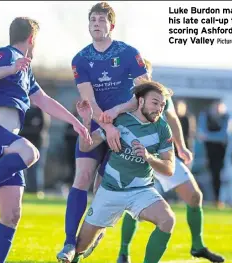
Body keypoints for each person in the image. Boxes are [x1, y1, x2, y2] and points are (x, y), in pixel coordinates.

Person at [0, 17, 91, 263]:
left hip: (6, 147)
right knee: (31, 152)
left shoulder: (25, 70)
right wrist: (10, 68)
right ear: (32, 39)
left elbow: (43, 100)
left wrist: (74, 121)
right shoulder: (9, 55)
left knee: (11, 215)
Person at [94, 59, 225, 263]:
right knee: (134, 201)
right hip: (132, 157)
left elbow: (171, 119)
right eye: (140, 72)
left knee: (194, 196)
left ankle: (197, 246)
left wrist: (180, 147)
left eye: (147, 72)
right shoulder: (123, 94)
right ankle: (123, 252)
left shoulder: (158, 95)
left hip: (159, 154)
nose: (144, 76)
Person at [57, 2, 149, 261]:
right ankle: (68, 244)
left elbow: (143, 93)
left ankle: (94, 236)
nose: (96, 23)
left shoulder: (129, 53)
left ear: (111, 24)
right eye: (92, 20)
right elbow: (88, 101)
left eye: (101, 19)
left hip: (125, 126)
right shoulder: (81, 58)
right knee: (82, 177)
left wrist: (118, 114)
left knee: (104, 191)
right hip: (97, 124)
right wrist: (106, 125)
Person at [71, 81, 176, 263]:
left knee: (168, 220)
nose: (159, 109)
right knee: (79, 247)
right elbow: (86, 146)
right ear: (141, 101)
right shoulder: (120, 120)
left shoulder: (162, 128)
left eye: (162, 105)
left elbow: (169, 169)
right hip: (110, 191)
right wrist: (86, 121)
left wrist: (149, 157)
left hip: (141, 190)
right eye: (155, 102)